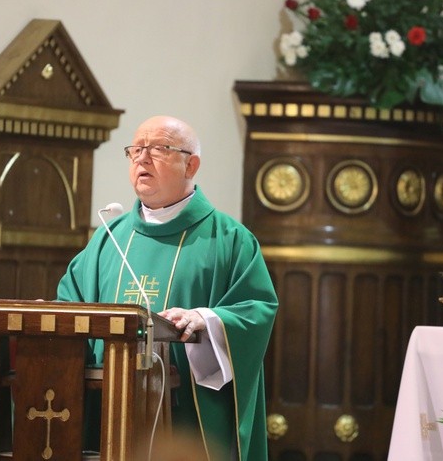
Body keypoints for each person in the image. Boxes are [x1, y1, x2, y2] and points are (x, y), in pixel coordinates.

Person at [57, 115, 279, 460]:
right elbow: (68, 304)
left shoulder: (229, 240)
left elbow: (256, 310)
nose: (142, 159)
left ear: (191, 165)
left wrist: (208, 320)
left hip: (186, 414)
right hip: (107, 412)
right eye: (135, 150)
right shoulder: (108, 240)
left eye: (159, 148)